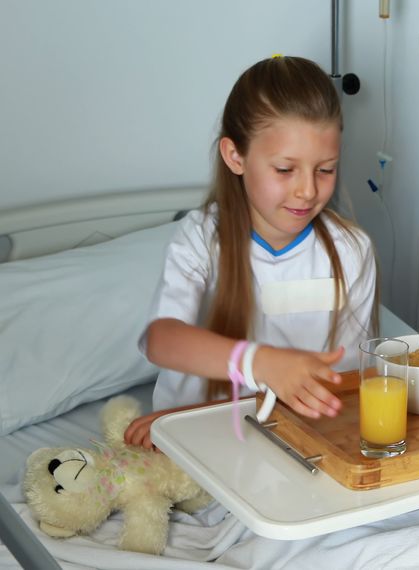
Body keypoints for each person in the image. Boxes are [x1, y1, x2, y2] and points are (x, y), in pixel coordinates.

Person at [125, 56, 378, 449]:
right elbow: (162, 339)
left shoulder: (351, 251)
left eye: (325, 169)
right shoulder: (202, 239)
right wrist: (260, 364)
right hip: (200, 434)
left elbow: (346, 382)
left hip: (300, 435)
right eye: (284, 169)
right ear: (235, 157)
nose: (308, 190)